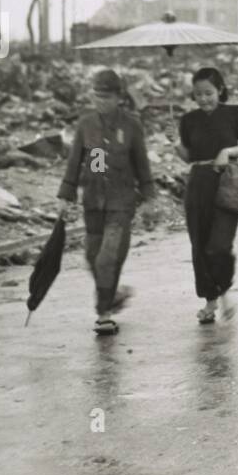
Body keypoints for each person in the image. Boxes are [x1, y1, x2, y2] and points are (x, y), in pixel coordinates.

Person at [56, 67, 158, 335]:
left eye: (106, 97)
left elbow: (142, 165)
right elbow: (77, 162)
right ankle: (112, 295)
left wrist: (149, 199)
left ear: (119, 97)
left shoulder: (131, 125)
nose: (100, 102)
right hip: (93, 201)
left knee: (106, 258)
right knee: (92, 257)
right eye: (96, 96)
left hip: (122, 202)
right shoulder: (87, 125)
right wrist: (66, 196)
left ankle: (103, 313)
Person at [178, 67, 238, 324]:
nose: (203, 99)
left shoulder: (234, 113)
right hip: (198, 184)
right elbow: (188, 156)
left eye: (208, 93)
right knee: (199, 245)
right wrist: (174, 144)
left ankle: (225, 292)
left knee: (220, 245)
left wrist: (228, 152)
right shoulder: (188, 120)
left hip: (227, 182)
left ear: (220, 90)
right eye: (198, 94)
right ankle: (210, 301)